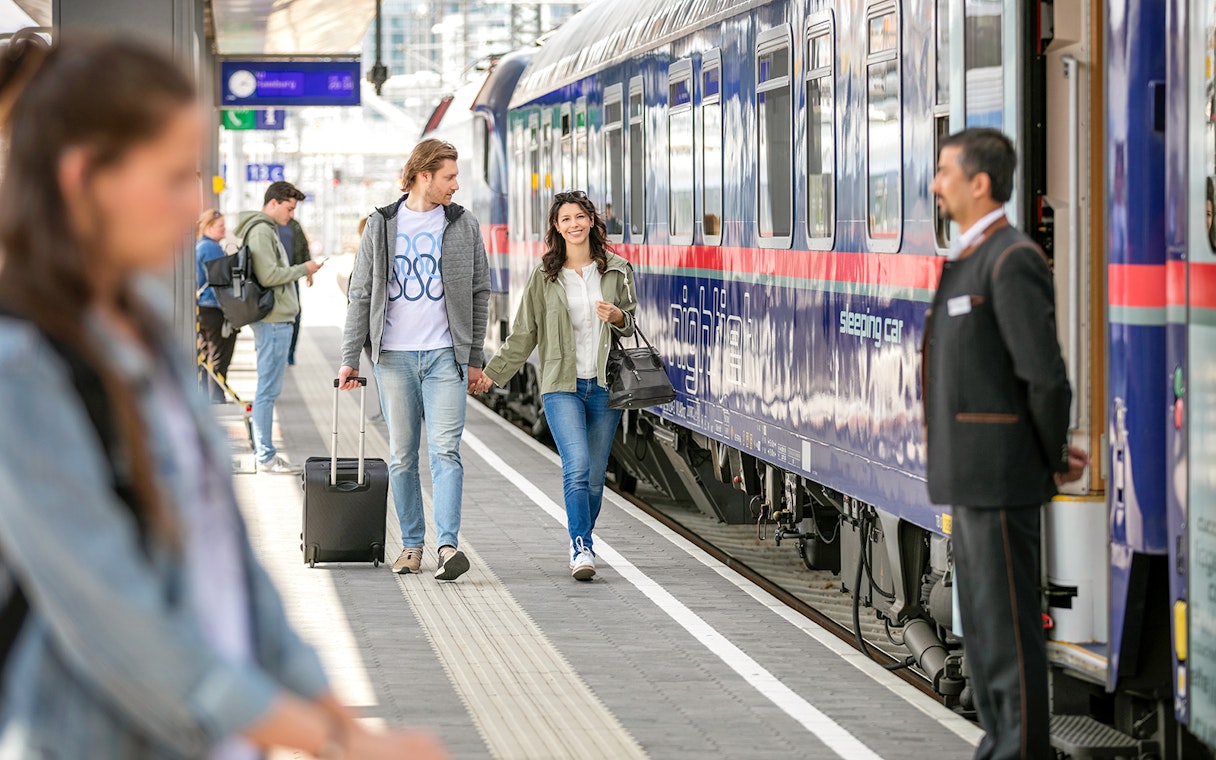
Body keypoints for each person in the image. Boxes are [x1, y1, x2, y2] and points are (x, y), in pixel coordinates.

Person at [0, 32, 446, 760]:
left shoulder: (147, 333)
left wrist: (339, 719)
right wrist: (324, 742)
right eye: (175, 179)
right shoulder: (20, 365)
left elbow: (232, 562)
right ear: (87, 177)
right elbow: (113, 617)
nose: (195, 210)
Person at [923, 127, 1089, 760]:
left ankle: (1019, 751)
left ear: (979, 183)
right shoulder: (974, 255)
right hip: (973, 476)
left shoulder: (1011, 258)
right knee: (987, 631)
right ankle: (1001, 745)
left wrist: (1047, 457)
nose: (937, 185)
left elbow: (1045, 377)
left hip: (1001, 475)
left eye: (945, 172)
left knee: (1010, 630)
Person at [339, 139, 490, 581]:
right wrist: (350, 357)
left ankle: (447, 547)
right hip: (394, 359)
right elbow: (361, 294)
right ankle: (410, 544)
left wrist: (474, 356)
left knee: (446, 451)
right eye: (449, 177)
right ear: (424, 175)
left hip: (446, 357)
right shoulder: (381, 225)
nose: (455, 186)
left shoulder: (463, 225)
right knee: (402, 456)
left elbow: (480, 291)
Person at [472, 191, 637, 581]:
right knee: (576, 466)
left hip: (603, 385)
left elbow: (631, 323)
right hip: (561, 385)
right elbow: (524, 334)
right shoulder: (545, 276)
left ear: (592, 222)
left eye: (580, 217)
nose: (574, 225)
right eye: (566, 219)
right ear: (556, 227)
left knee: (595, 477)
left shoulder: (617, 270)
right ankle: (581, 545)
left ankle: (585, 536)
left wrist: (616, 317)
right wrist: (490, 374)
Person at [236, 181, 322, 474]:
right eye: (288, 208)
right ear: (273, 203)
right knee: (267, 392)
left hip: (274, 321)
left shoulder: (264, 228)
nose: (291, 215)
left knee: (268, 389)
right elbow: (270, 275)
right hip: (273, 322)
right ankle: (266, 456)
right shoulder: (261, 230)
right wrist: (304, 269)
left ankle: (265, 453)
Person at [195, 209, 236, 403]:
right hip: (214, 308)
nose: (224, 230)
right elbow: (220, 282)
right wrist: (231, 311)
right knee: (219, 355)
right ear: (209, 227)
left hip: (202, 308)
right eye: (221, 226)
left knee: (206, 354)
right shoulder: (211, 248)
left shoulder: (199, 245)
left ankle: (207, 396)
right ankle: (216, 397)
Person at [280, 216, 312, 366]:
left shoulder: (294, 225)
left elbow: (303, 247)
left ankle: (290, 352)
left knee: (296, 314)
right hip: (275, 279)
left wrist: (309, 272)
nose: (291, 212)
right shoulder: (267, 225)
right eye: (289, 208)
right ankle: (280, 352)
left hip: (293, 277)